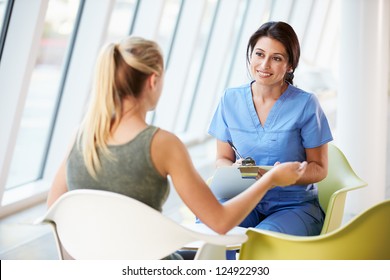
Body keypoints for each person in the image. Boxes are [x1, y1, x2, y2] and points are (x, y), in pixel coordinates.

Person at [47, 36, 307, 260]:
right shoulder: (162, 144)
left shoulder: (80, 135)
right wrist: (271, 178)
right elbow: (219, 222)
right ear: (153, 80)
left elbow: (57, 210)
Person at [208, 21, 333, 256]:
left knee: (260, 243)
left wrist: (283, 177)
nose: (264, 65)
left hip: (293, 205)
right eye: (259, 54)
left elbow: (320, 168)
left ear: (290, 65)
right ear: (250, 55)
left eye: (276, 58)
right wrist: (237, 169)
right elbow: (222, 159)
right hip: (244, 197)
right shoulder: (229, 100)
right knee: (215, 235)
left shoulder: (306, 104)